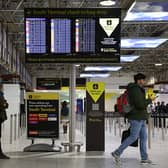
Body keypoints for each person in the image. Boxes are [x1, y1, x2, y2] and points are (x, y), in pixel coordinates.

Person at [111, 73, 155, 164]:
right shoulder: (135, 90)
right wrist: (150, 100)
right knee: (133, 137)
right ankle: (117, 153)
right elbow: (139, 105)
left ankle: (144, 158)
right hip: (136, 117)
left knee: (143, 138)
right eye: (143, 80)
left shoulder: (138, 89)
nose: (144, 81)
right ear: (138, 80)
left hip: (141, 117)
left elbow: (140, 104)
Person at [0, 84, 10, 159]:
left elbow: (5, 104)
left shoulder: (1, 94)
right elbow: (3, 104)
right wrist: (4, 104)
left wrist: (5, 104)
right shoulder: (0, 94)